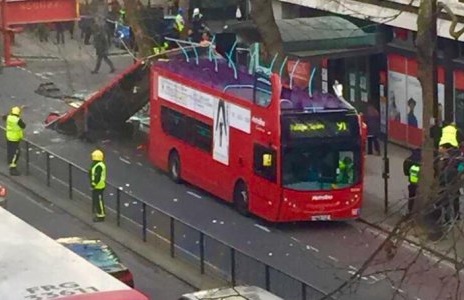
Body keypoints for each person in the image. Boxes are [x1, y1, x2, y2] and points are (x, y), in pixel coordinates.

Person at [3, 106, 26, 176]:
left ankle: (10, 162)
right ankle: (12, 168)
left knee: (10, 151)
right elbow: (23, 126)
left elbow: (4, 117)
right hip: (15, 138)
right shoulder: (18, 120)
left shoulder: (8, 117)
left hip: (9, 136)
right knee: (16, 153)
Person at [89, 149, 107, 222]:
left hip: (98, 186)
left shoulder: (99, 166)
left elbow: (97, 176)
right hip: (97, 186)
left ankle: (101, 215)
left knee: (99, 200)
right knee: (97, 200)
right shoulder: (97, 164)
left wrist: (93, 184)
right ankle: (98, 211)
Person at [403, 148, 421, 215]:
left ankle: (410, 211)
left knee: (411, 197)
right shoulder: (425, 161)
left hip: (412, 182)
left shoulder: (408, 160)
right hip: (422, 184)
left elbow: (406, 172)